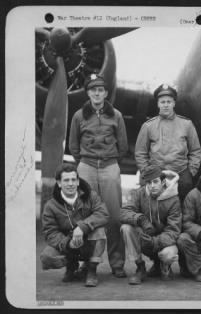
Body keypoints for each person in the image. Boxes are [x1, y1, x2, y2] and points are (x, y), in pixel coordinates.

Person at [69, 74, 128, 278]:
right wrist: (86, 162)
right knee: (85, 216)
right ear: (88, 93)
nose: (97, 93)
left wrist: (109, 163)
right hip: (86, 166)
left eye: (100, 89)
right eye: (93, 89)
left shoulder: (117, 115)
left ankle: (117, 263)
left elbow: (123, 146)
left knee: (113, 217)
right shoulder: (79, 116)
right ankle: (86, 263)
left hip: (110, 167)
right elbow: (73, 146)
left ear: (105, 92)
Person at [40, 163, 109, 287]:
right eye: (66, 180)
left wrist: (82, 227)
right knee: (46, 257)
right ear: (59, 183)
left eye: (73, 180)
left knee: (100, 230)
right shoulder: (50, 206)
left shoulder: (90, 196)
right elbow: (50, 232)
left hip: (87, 242)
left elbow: (103, 214)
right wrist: (68, 243)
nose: (70, 184)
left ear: (78, 182)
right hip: (67, 245)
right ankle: (71, 265)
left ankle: (91, 270)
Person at [135, 83, 201, 203]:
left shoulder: (186, 124)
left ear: (174, 103)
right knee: (153, 207)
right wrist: (146, 171)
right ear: (158, 104)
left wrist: (191, 170)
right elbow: (140, 152)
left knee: (183, 204)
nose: (166, 105)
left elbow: (196, 151)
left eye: (169, 102)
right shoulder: (148, 126)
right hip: (156, 173)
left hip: (180, 172)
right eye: (162, 102)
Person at [120, 165, 181, 285]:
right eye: (148, 182)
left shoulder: (174, 199)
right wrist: (140, 219)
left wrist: (155, 241)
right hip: (146, 238)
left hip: (164, 243)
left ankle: (164, 265)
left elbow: (174, 230)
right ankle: (140, 267)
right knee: (126, 228)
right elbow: (124, 212)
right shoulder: (140, 194)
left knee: (168, 255)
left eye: (155, 181)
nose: (152, 185)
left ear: (163, 182)